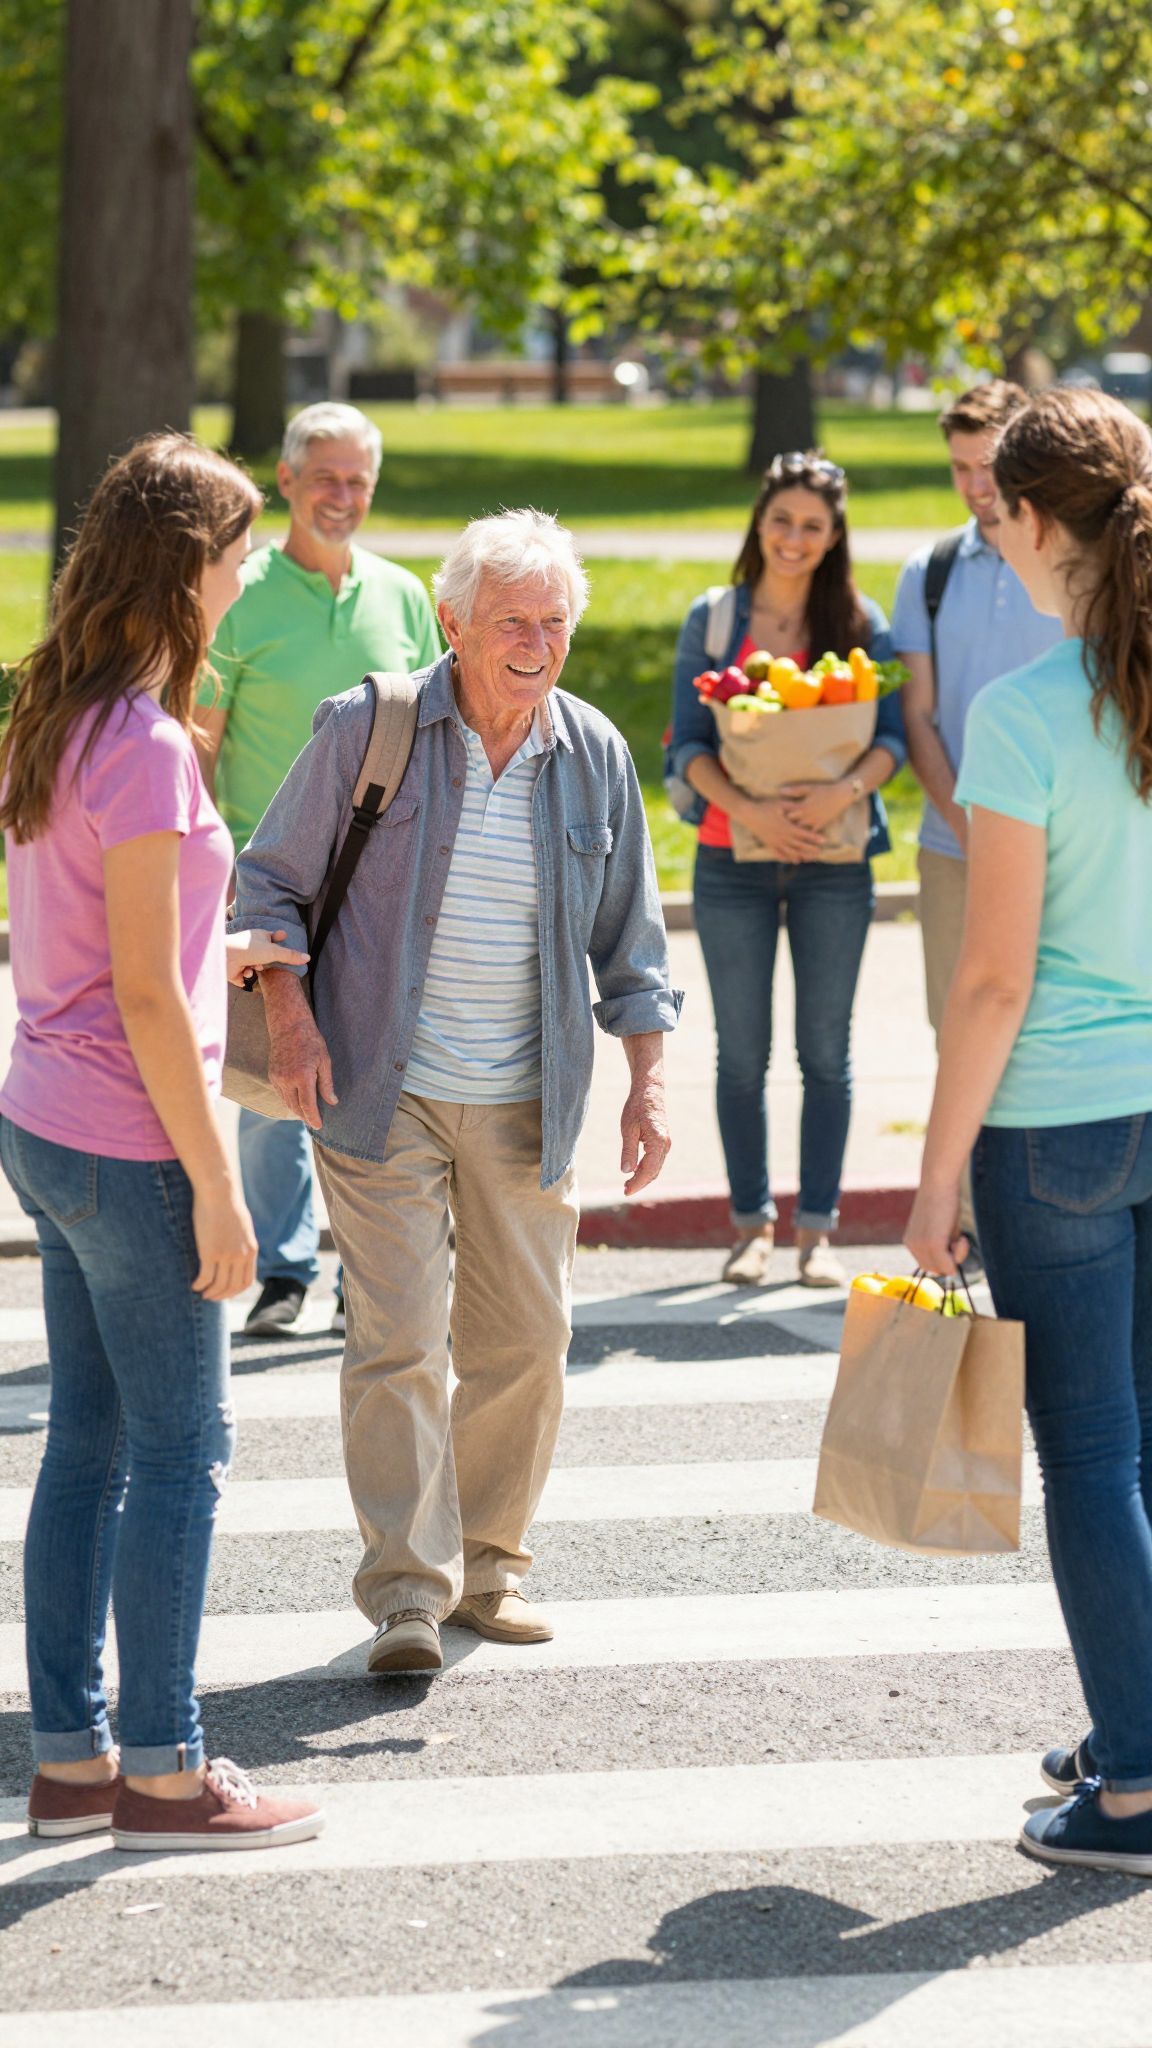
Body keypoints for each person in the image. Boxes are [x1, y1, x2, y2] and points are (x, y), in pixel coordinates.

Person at [230, 509, 681, 1677]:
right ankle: (406, 1592)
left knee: (528, 1337)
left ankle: (493, 1561)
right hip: (382, 1082)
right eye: (511, 620)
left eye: (555, 621)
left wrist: (649, 1082)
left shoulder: (592, 752)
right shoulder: (367, 726)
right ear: (453, 619)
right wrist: (288, 1016)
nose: (536, 643)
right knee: (398, 1339)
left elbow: (632, 941)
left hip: (533, 1089)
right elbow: (266, 886)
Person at [0, 433, 322, 1851]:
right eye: (238, 551)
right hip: (131, 1139)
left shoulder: (54, 717)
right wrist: (218, 1192)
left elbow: (114, 948)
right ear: (184, 567)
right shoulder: (136, 744)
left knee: (87, 1443)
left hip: (45, 1117)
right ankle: (169, 1771)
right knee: (181, 1454)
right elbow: (141, 994)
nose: (249, 572)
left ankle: (71, 1763)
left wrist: (215, 948)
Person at [906, 386, 1152, 1878]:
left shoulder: (1024, 715)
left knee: (1093, 1457)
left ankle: (1133, 1784)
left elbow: (991, 981)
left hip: (1055, 1126)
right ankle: (1134, 1720)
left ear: (1040, 523)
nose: (986, 536)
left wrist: (933, 1183)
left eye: (998, 511)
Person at [195, 401, 441, 1340]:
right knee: (271, 1082)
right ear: (287, 483)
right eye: (324, 478)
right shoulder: (241, 594)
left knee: (370, 1076)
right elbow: (203, 748)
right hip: (268, 881)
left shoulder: (403, 595)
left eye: (358, 481)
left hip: (379, 883)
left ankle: (359, 1273)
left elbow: (428, 740)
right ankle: (289, 1271)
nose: (342, 497)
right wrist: (216, 873)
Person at [668, 450, 907, 1289]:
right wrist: (754, 808)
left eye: (812, 525)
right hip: (731, 859)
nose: (794, 538)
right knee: (740, 1053)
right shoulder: (714, 615)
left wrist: (840, 790)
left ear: (835, 532)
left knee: (825, 1054)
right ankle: (750, 1225)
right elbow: (687, 744)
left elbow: (893, 742)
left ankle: (817, 1232)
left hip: (833, 864)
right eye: (781, 520)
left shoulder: (862, 623)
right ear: (758, 523)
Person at [893, 381, 1062, 1249]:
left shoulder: (1068, 564)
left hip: (1058, 843)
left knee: (1037, 1025)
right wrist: (968, 822)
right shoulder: (929, 573)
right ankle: (961, 1215)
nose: (974, 483)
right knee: (957, 1023)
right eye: (959, 467)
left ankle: (1028, 1209)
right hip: (951, 842)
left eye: (988, 462)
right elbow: (917, 716)